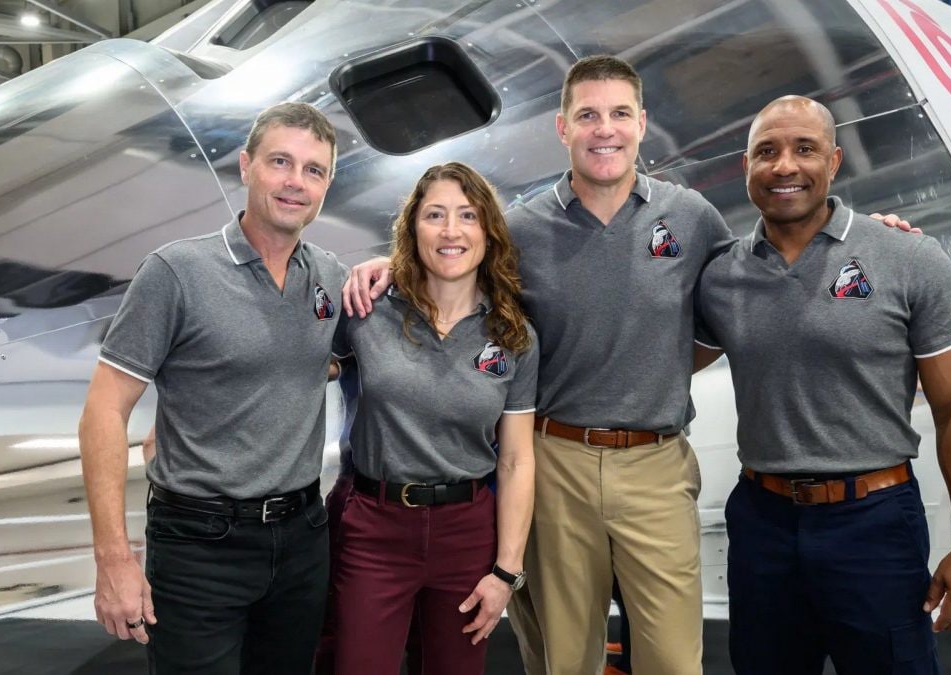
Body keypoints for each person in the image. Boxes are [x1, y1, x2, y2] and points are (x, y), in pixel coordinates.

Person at [344, 56, 916, 675]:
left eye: (619, 114)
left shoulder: (692, 218)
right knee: (565, 660)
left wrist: (869, 239)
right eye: (587, 115)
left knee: (672, 661)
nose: (604, 129)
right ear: (562, 128)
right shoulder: (520, 230)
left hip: (656, 466)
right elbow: (452, 265)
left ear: (641, 123)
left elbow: (759, 276)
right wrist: (383, 266)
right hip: (555, 461)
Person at [695, 95, 951, 675]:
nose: (785, 165)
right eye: (768, 152)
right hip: (762, 523)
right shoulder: (722, 275)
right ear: (747, 168)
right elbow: (658, 358)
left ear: (834, 163)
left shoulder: (907, 256)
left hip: (874, 524)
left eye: (804, 149)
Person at [78, 102, 347, 674]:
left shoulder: (329, 276)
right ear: (246, 166)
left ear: (326, 185)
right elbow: (104, 409)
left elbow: (323, 360)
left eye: (314, 170)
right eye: (281, 162)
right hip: (199, 544)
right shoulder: (176, 272)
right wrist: (113, 558)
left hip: (302, 537)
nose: (296, 182)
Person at [329, 162, 538, 675]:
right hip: (373, 527)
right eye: (435, 215)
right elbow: (296, 374)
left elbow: (515, 461)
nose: (451, 231)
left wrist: (505, 572)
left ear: (487, 231)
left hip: (465, 533)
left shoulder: (514, 336)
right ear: (412, 228)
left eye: (467, 215)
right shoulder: (365, 311)